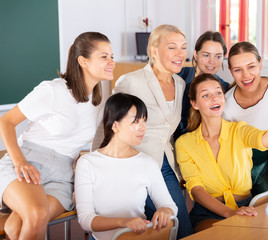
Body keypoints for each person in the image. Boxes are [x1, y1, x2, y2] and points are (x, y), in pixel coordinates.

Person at [0, 32, 114, 239]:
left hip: (62, 174)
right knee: (36, 214)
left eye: (112, 56)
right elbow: (5, 121)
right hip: (30, 162)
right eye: (104, 56)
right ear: (83, 61)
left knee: (16, 227)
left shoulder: (97, 99)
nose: (111, 62)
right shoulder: (52, 90)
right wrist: (19, 162)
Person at [91, 24, 193, 238]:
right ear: (154, 51)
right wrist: (97, 166)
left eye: (183, 47)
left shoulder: (180, 83)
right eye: (172, 47)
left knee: (179, 226)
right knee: (153, 229)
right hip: (134, 165)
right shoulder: (131, 82)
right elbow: (107, 126)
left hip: (165, 164)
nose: (180, 54)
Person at [175, 73, 268, 229]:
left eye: (218, 92)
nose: (215, 98)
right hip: (208, 212)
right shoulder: (184, 143)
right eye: (206, 95)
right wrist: (230, 213)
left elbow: (263, 139)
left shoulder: (239, 130)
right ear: (194, 104)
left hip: (246, 206)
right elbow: (196, 190)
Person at [75, 93, 177, 240]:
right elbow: (85, 219)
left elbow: (169, 205)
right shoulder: (87, 163)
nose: (143, 128)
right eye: (135, 121)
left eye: (144, 121)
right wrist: (123, 222)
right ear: (115, 125)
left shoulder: (148, 163)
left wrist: (165, 211)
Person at [223, 41, 268, 197]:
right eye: (238, 70)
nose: (246, 75)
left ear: (260, 64)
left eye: (251, 66)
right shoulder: (226, 104)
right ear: (230, 71)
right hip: (239, 167)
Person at [175, 31, 230, 139]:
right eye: (206, 55)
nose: (212, 61)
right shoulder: (178, 77)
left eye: (218, 57)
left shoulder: (225, 88)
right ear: (196, 55)